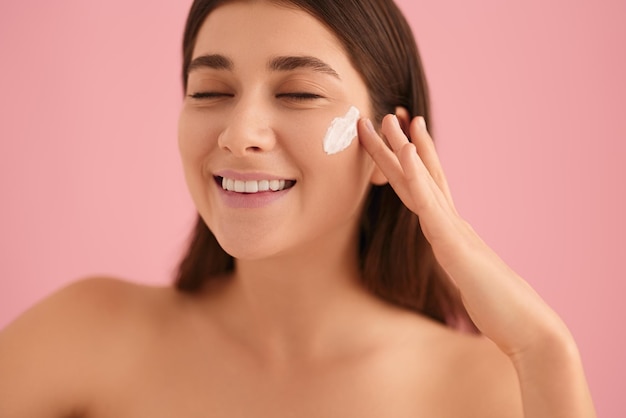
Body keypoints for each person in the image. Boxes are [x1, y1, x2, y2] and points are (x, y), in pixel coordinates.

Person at [0, 0, 596, 416]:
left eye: (299, 94)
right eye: (210, 92)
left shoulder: (494, 390)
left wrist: (544, 349)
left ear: (392, 146)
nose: (239, 132)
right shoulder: (88, 334)